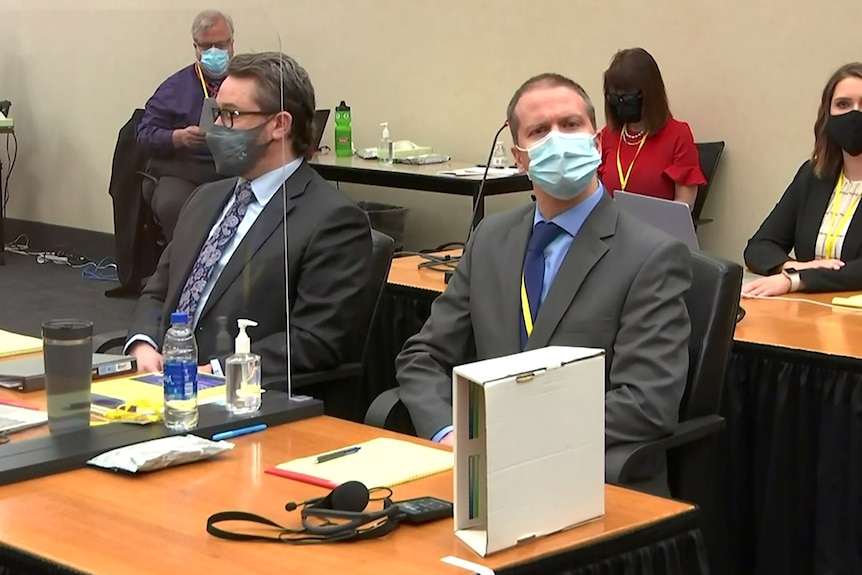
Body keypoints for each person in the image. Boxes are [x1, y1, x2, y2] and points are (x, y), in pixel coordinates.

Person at [395, 73, 692, 493]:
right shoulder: (489, 241)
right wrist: (446, 432)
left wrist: (511, 436)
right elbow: (422, 356)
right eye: (539, 131)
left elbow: (647, 403)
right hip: (480, 475)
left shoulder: (652, 255)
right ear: (520, 158)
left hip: (590, 480)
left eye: (570, 125)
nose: (558, 139)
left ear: (596, 141)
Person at [125, 51, 373, 382]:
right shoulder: (205, 197)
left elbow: (315, 340)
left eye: (230, 115)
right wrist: (143, 344)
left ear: (279, 125)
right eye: (217, 113)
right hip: (161, 382)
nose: (215, 128)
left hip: (241, 395)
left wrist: (215, 371)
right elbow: (159, 290)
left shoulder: (333, 221)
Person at [742, 63, 862, 297]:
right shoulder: (813, 175)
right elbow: (759, 246)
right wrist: (793, 267)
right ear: (827, 115)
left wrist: (797, 280)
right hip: (805, 312)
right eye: (843, 104)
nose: (854, 114)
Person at [136, 9, 236, 242]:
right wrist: (178, 138)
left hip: (236, 168)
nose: (214, 52)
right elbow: (144, 135)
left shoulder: (248, 82)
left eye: (220, 45)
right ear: (196, 47)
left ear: (232, 44)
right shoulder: (173, 89)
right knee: (174, 205)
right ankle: (184, 270)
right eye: (206, 46)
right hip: (185, 171)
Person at [597, 48, 706, 209]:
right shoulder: (608, 135)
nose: (620, 101)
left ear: (649, 93)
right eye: (614, 96)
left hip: (659, 230)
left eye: (627, 95)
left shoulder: (678, 134)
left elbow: (684, 204)